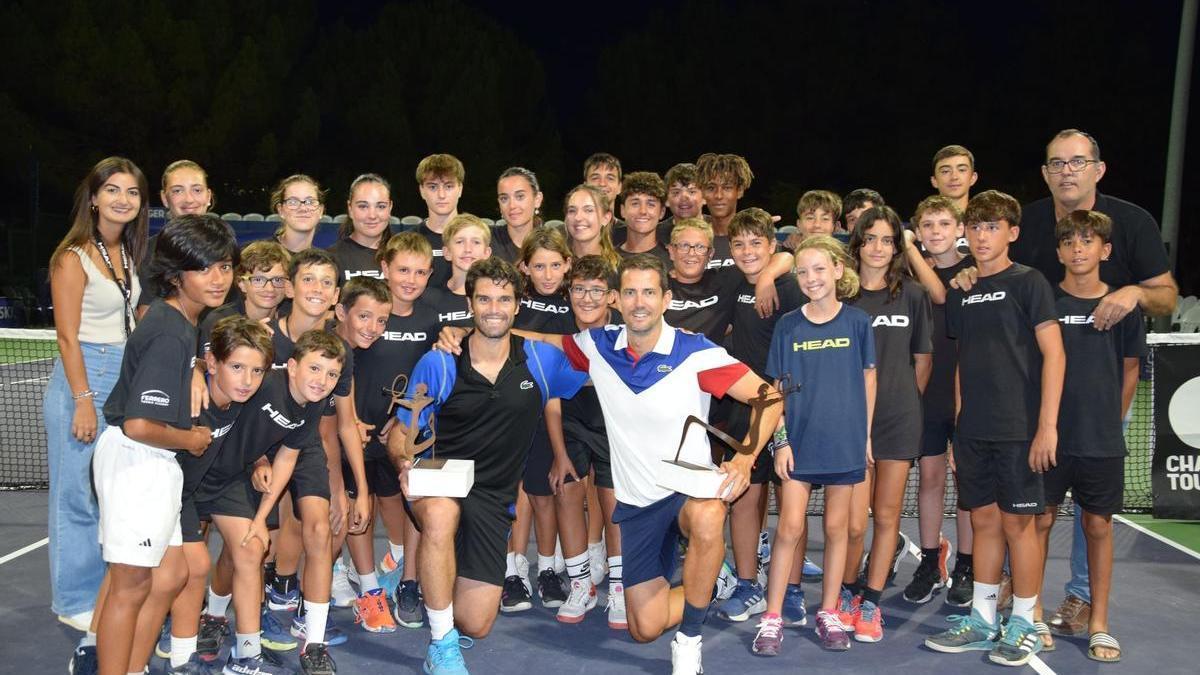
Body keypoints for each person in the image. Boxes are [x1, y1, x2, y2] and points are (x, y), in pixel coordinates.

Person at [555, 254, 782, 674]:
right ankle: (709, 581)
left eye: (648, 292)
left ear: (666, 299)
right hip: (639, 505)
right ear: (615, 300)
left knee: (710, 517)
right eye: (629, 292)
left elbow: (768, 397)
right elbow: (536, 342)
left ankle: (689, 640)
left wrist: (745, 459)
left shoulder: (696, 351)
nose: (639, 302)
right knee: (644, 627)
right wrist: (471, 331)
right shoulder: (596, 345)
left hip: (687, 493)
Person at [1012, 130, 1178, 636]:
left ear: (1098, 170)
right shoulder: (1031, 222)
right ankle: (1024, 594)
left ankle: (1082, 597)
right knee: (1035, 506)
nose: (1067, 171)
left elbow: (1167, 297)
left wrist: (1132, 293)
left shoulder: (1132, 221)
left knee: (1094, 515)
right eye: (1056, 163)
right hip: (1040, 394)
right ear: (1045, 173)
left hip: (1105, 390)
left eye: (1078, 162)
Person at [387, 257, 587, 675]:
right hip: (439, 485)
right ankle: (440, 644)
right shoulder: (441, 361)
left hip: (493, 501)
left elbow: (600, 367)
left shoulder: (540, 360)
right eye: (484, 299)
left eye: (504, 299)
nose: (494, 308)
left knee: (476, 624)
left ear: (517, 305)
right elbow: (400, 434)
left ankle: (437, 579)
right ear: (470, 303)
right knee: (441, 513)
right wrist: (406, 464)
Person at [89, 213, 236, 675]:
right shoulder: (170, 331)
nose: (218, 278)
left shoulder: (183, 324)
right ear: (175, 274)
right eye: (204, 268)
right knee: (130, 586)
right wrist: (192, 438)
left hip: (155, 464)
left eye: (225, 266)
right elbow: (138, 424)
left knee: (171, 574)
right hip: (138, 461)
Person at [925, 190, 1065, 668]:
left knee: (1018, 525)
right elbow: (964, 360)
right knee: (983, 521)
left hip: (1020, 429)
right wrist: (961, 424)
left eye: (992, 227)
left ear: (1013, 233)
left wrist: (1046, 427)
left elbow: (1054, 354)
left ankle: (1025, 620)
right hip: (973, 431)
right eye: (976, 227)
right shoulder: (963, 291)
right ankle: (983, 620)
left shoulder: (1030, 283)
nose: (982, 236)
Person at [752, 235, 876, 656]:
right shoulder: (787, 325)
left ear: (839, 270)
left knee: (838, 528)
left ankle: (828, 612)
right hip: (798, 445)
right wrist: (780, 443)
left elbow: (868, 380)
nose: (811, 278)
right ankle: (771, 618)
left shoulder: (858, 323)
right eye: (802, 271)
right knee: (788, 527)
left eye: (819, 269)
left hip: (844, 442)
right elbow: (775, 391)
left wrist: (866, 436)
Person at [1033, 210, 1143, 663]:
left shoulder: (1121, 308)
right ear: (1059, 251)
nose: (1078, 248)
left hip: (1100, 442)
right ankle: (1033, 611)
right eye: (1070, 241)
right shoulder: (1045, 303)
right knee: (1038, 522)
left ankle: (1098, 622)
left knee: (1097, 525)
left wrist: (1106, 424)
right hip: (1050, 438)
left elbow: (1130, 371)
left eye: (1088, 241)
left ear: (1105, 249)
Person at [46, 156, 148, 637]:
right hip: (83, 375)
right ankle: (73, 599)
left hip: (119, 373)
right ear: (93, 197)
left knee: (108, 493)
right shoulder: (73, 255)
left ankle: (100, 591)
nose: (122, 199)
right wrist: (83, 398)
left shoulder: (125, 252)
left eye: (131, 192)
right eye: (113, 190)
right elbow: (67, 336)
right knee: (75, 496)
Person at [837, 206, 933, 643]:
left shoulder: (911, 294)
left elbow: (923, 359)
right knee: (854, 522)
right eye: (870, 238)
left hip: (898, 420)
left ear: (897, 247)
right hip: (852, 422)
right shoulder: (841, 294)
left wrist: (901, 402)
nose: (878, 247)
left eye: (888, 240)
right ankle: (847, 590)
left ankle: (871, 601)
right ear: (856, 244)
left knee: (887, 515)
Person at [241, 330, 357, 675]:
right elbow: (239, 428)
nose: (323, 381)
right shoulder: (264, 386)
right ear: (291, 366)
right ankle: (216, 614)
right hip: (254, 451)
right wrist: (259, 463)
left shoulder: (317, 399)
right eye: (315, 370)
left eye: (332, 374)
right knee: (243, 544)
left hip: (296, 448)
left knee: (320, 531)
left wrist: (341, 489)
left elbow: (292, 457)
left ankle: (314, 641)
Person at [163, 316, 273, 672]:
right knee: (188, 569)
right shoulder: (189, 399)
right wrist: (193, 368)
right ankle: (181, 659)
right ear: (212, 363)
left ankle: (247, 655)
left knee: (252, 547)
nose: (247, 380)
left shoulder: (245, 396)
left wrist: (259, 461)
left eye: (257, 371)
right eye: (238, 367)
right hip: (177, 490)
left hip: (222, 481)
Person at [714, 209, 802, 626]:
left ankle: (794, 588)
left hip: (786, 408)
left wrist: (772, 272)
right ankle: (749, 584)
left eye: (756, 243)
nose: (748, 251)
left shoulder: (789, 285)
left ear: (771, 245)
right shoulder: (732, 282)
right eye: (739, 244)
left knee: (791, 504)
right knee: (745, 499)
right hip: (742, 408)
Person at [501, 228, 576, 613]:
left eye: (555, 265)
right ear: (524, 267)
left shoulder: (575, 301)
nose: (548, 274)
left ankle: (547, 568)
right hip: (516, 412)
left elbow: (569, 346)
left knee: (544, 493)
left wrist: (516, 333)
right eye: (539, 266)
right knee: (516, 493)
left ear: (568, 265)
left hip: (559, 413)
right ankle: (514, 571)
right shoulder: (516, 302)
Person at [904, 196, 973, 607]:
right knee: (929, 480)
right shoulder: (909, 277)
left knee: (967, 486)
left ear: (959, 228)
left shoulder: (974, 272)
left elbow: (945, 298)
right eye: (926, 224)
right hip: (927, 396)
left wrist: (911, 247)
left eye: (943, 223)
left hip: (968, 394)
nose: (935, 231)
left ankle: (967, 563)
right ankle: (932, 559)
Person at [136, 159, 213, 316]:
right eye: (178, 191)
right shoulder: (150, 252)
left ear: (208, 196)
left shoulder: (225, 247)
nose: (189, 199)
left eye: (197, 190)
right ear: (165, 198)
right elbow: (147, 317)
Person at [327, 173, 394, 282]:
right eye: (363, 206)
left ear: (390, 208)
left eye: (381, 206)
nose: (372, 215)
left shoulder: (402, 254)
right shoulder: (331, 259)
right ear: (350, 208)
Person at [414, 154, 467, 287]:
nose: (441, 195)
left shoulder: (477, 239)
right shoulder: (410, 240)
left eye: (448, 186)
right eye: (433, 187)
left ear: (460, 189)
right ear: (422, 191)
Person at [695, 153, 753, 269]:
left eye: (727, 187)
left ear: (740, 191)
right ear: (703, 192)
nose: (718, 195)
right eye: (711, 188)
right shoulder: (692, 240)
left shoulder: (755, 238)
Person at [617, 171, 672, 267]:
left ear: (662, 212)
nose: (643, 211)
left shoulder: (673, 259)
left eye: (651, 204)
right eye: (635, 203)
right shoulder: (608, 261)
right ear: (622, 210)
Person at [563, 184, 622, 270]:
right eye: (572, 210)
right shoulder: (556, 266)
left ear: (606, 218)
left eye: (588, 210)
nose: (578, 217)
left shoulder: (620, 269)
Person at [491, 167, 544, 263]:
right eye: (504, 198)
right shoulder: (486, 239)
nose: (512, 206)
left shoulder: (551, 243)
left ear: (537, 199)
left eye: (520, 196)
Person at [271, 175, 326, 254]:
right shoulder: (258, 256)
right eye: (293, 202)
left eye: (310, 202)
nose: (303, 208)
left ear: (321, 211)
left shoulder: (324, 262)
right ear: (281, 210)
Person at [929, 144, 979, 215]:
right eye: (945, 171)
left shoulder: (988, 223)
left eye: (962, 170)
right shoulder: (920, 224)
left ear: (973, 178)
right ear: (934, 181)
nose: (954, 177)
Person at [660, 162, 705, 233]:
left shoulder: (722, 229)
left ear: (705, 198)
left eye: (692, 191)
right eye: (676, 192)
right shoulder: (653, 235)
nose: (684, 198)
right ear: (666, 200)